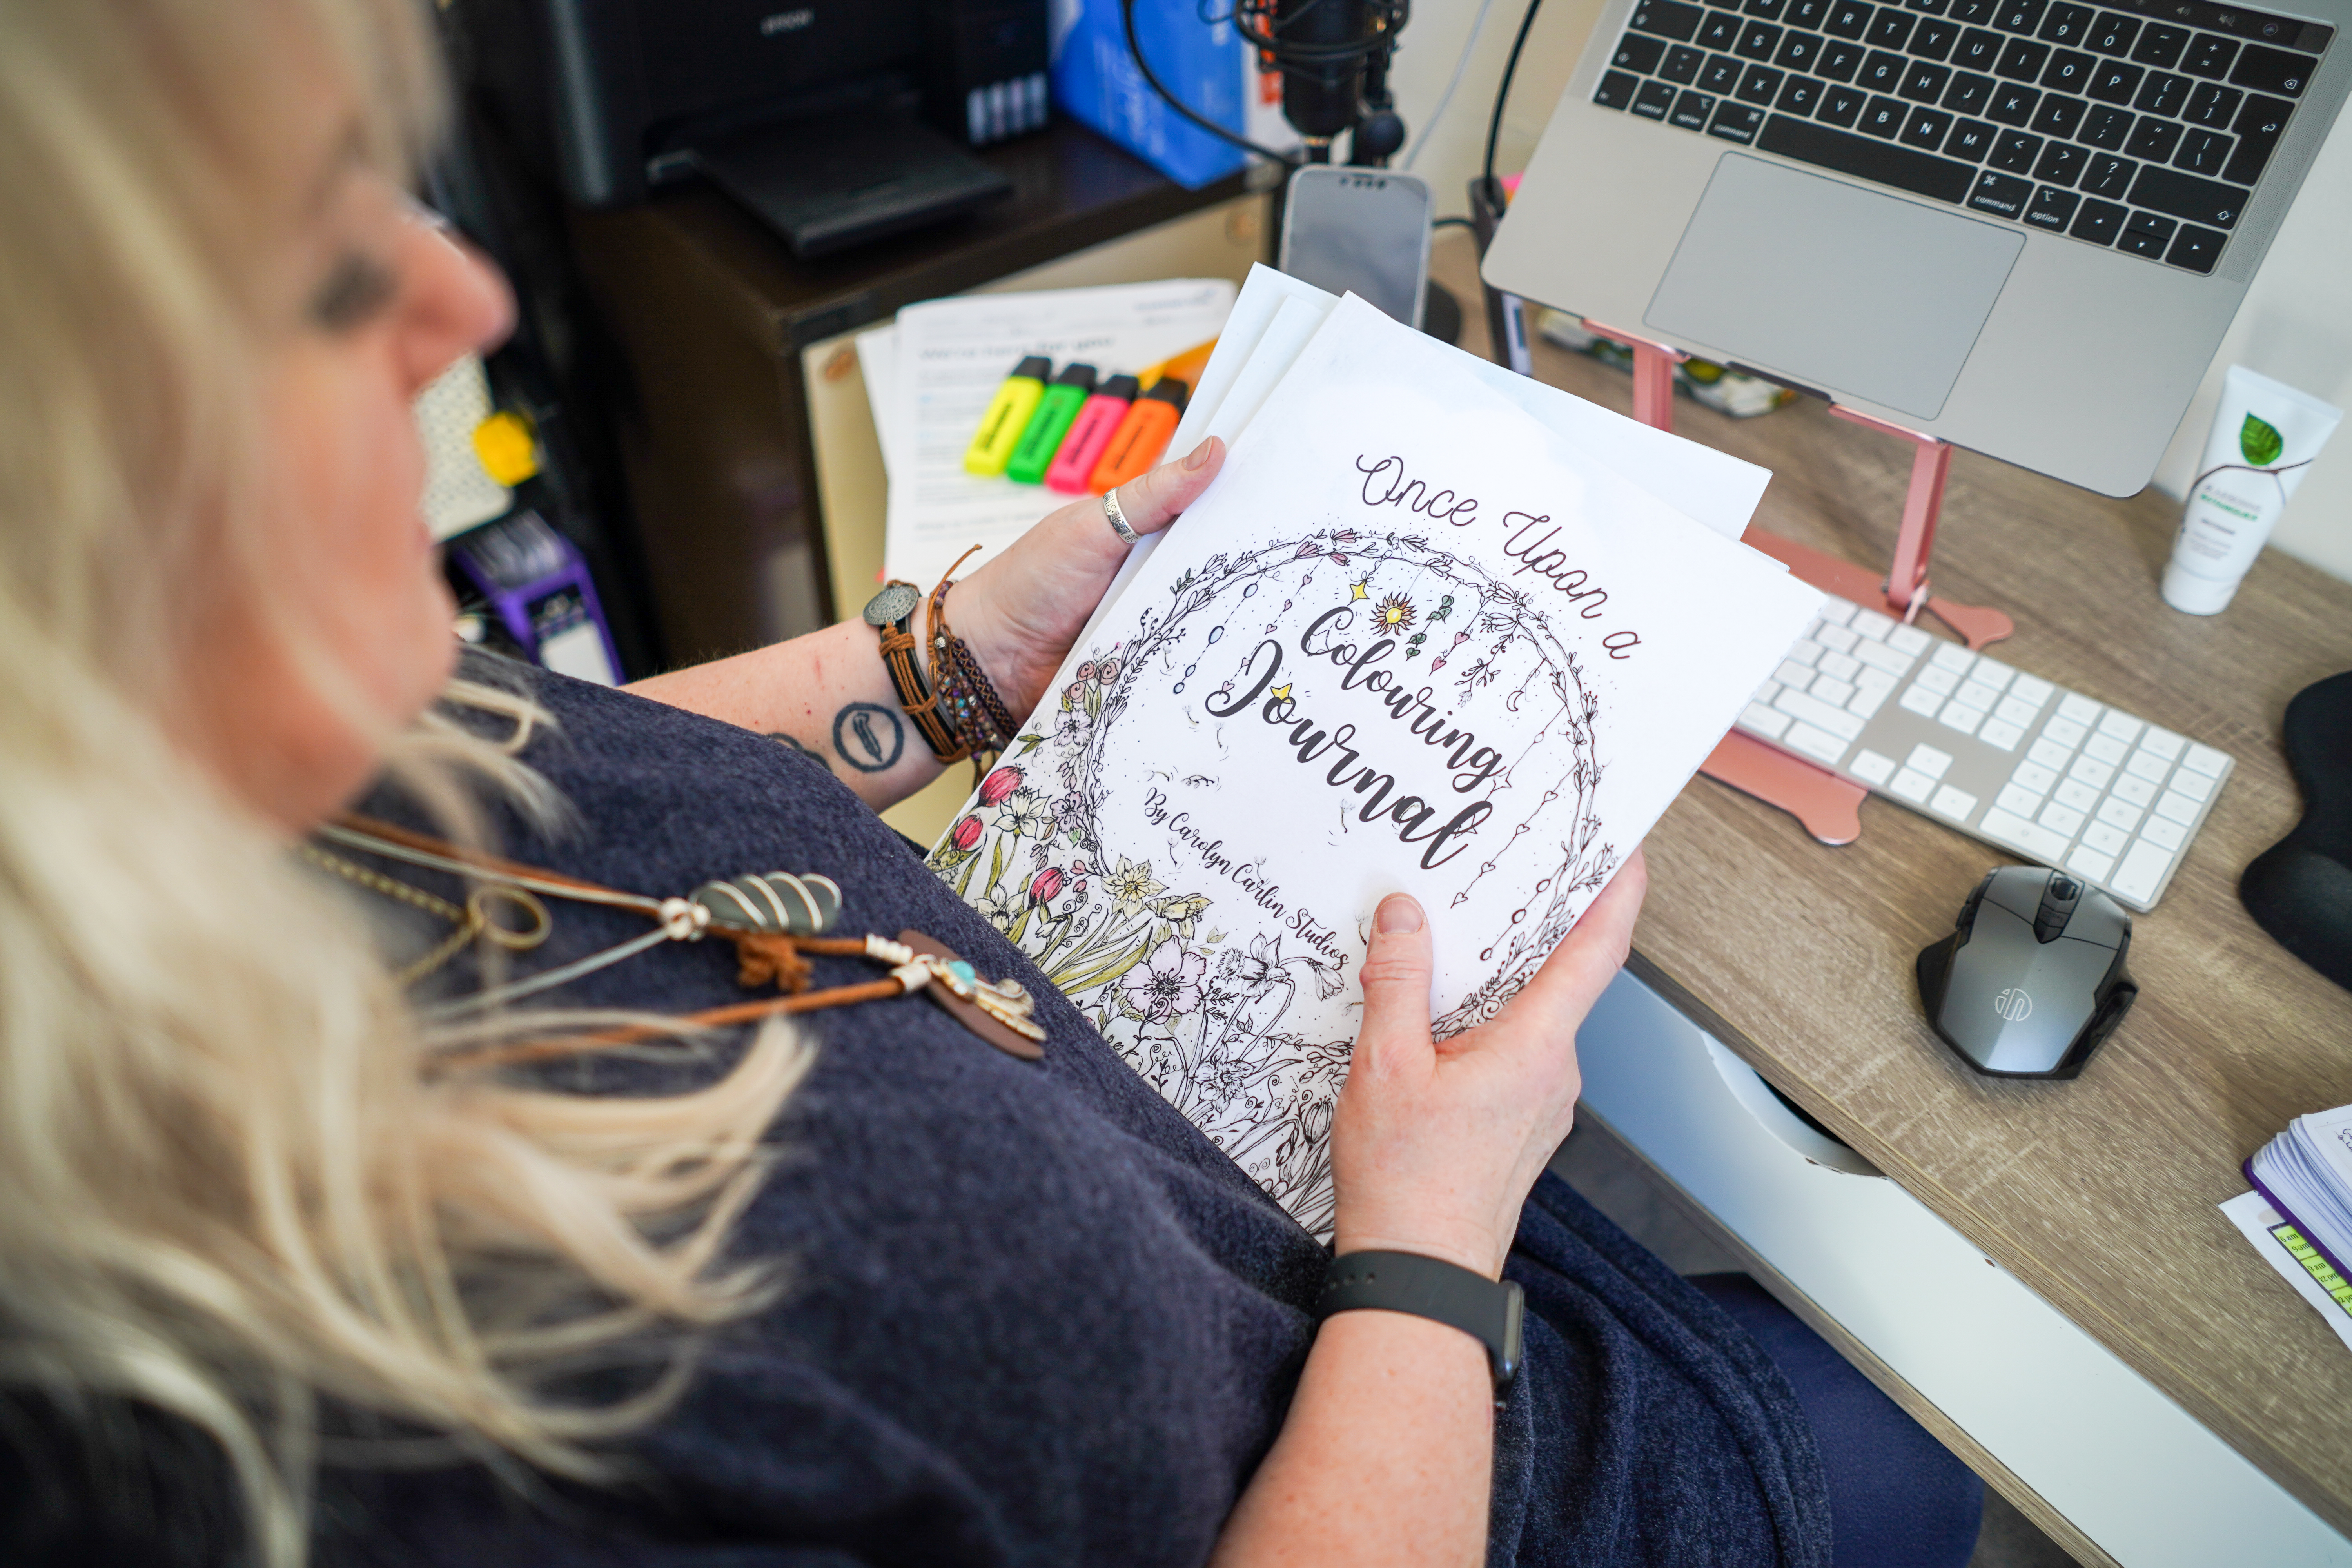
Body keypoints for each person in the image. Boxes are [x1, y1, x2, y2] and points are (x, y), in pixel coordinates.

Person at [0, 2, 1985, 1564]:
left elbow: (577, 793)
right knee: (1918, 1418)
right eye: (310, 280)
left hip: (1241, 1153)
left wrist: (938, 670)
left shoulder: (176, 761)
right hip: (1411, 1380)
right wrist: (1434, 1249)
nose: (466, 314)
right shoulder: (295, 1446)